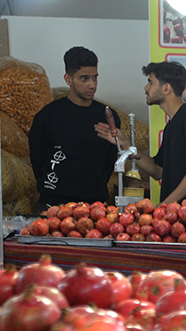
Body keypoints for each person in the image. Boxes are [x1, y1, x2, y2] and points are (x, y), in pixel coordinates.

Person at [95, 61, 186, 206]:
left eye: (151, 83)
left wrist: (166, 204)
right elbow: (157, 170)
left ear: (166, 88)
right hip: (176, 220)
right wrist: (126, 145)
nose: (146, 88)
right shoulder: (172, 126)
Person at [28, 46, 119, 211]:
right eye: (84, 79)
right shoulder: (47, 116)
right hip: (53, 206)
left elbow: (109, 161)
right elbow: (37, 160)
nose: (92, 85)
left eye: (95, 78)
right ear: (68, 79)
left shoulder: (108, 117)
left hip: (95, 207)